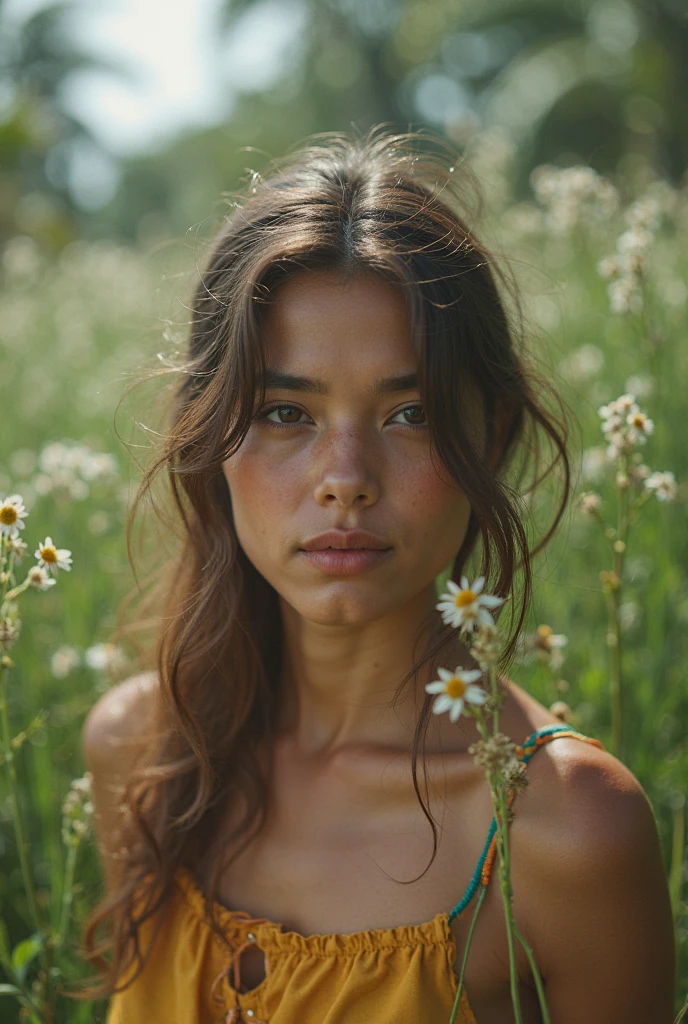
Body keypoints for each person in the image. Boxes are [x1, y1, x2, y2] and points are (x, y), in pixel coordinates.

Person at [79, 128, 674, 1023]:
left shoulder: (561, 829)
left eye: (410, 412)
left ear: (494, 433)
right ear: (210, 439)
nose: (346, 476)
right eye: (286, 411)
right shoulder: (144, 755)